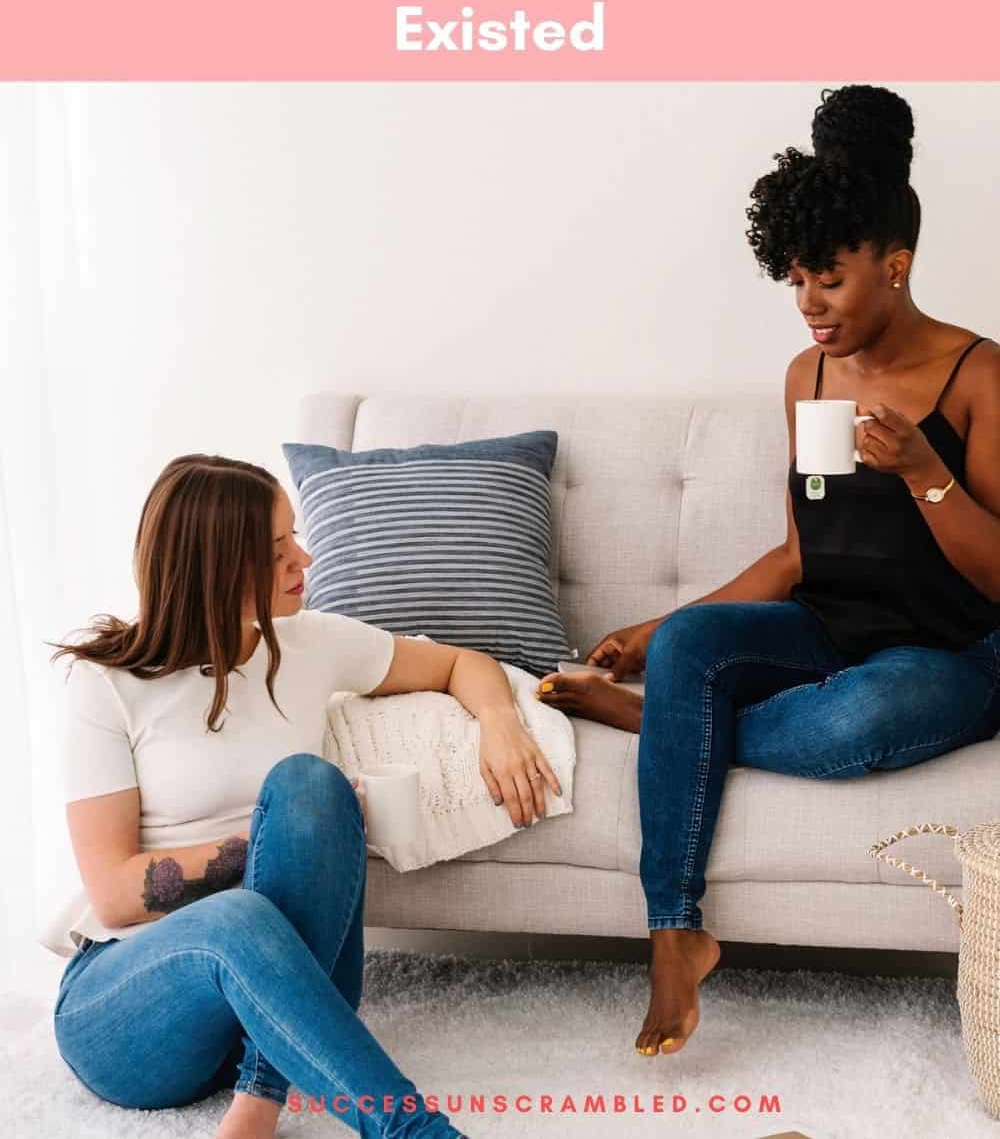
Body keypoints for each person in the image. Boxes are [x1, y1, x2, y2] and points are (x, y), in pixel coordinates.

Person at [533, 85, 1000, 1061]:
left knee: (861, 716)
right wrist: (660, 636)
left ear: (894, 264)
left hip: (953, 650)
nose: (808, 307)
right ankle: (673, 932)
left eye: (827, 279)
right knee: (697, 643)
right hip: (831, 625)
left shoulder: (977, 377)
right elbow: (799, 551)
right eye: (793, 282)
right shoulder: (810, 377)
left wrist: (924, 471)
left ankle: (650, 717)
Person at [48, 453, 562, 1139]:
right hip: (133, 1011)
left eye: (295, 537)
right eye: (277, 549)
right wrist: (260, 851)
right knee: (238, 916)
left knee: (311, 785)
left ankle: (260, 1093)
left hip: (283, 996)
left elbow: (458, 662)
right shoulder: (105, 684)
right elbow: (112, 892)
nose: (305, 558)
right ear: (215, 562)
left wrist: (500, 725)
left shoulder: (310, 644)